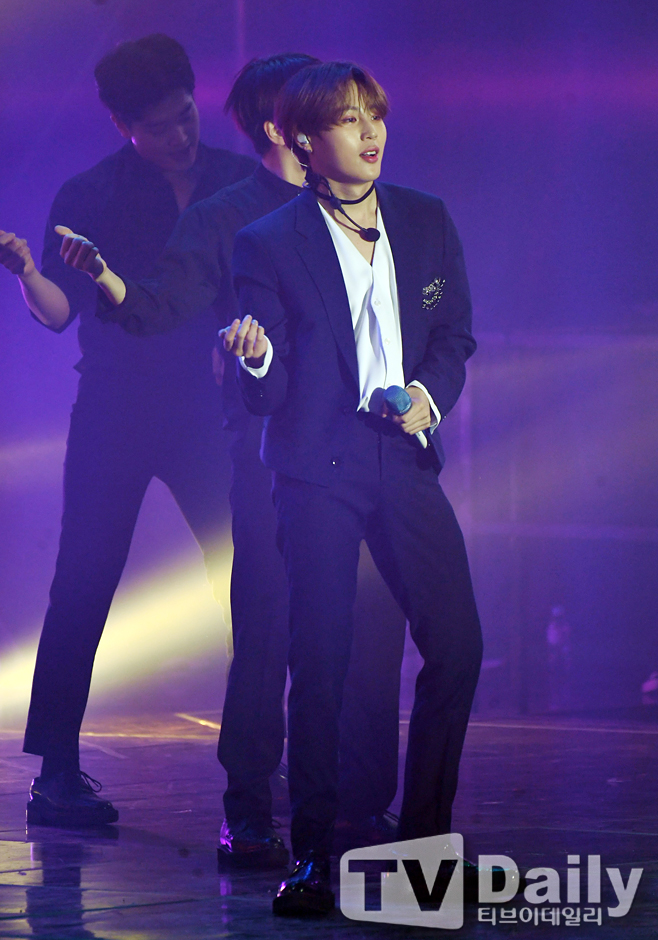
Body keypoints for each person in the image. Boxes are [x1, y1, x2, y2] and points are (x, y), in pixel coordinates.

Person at [56, 54, 406, 866]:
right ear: (282, 126)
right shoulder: (227, 216)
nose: (345, 121)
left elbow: (412, 307)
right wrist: (104, 276)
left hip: (364, 449)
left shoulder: (364, 203)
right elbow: (156, 305)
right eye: (326, 108)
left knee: (373, 626)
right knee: (266, 625)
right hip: (271, 455)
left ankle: (360, 804)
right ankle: (247, 809)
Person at [223, 61, 483, 915]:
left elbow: (453, 335)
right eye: (347, 118)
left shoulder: (425, 217)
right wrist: (257, 356)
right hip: (317, 469)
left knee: (458, 647)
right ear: (304, 139)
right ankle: (313, 855)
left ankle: (424, 849)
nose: (369, 132)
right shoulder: (268, 241)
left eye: (375, 113)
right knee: (322, 661)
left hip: (402, 458)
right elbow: (268, 390)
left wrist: (429, 395)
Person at [0, 34, 255, 828]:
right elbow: (57, 313)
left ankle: (259, 757)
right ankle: (56, 774)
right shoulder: (89, 193)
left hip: (209, 409)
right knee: (83, 579)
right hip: (115, 408)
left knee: (248, 576)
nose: (180, 135)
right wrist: (27, 272)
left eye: (187, 116)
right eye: (159, 126)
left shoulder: (240, 182)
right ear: (123, 126)